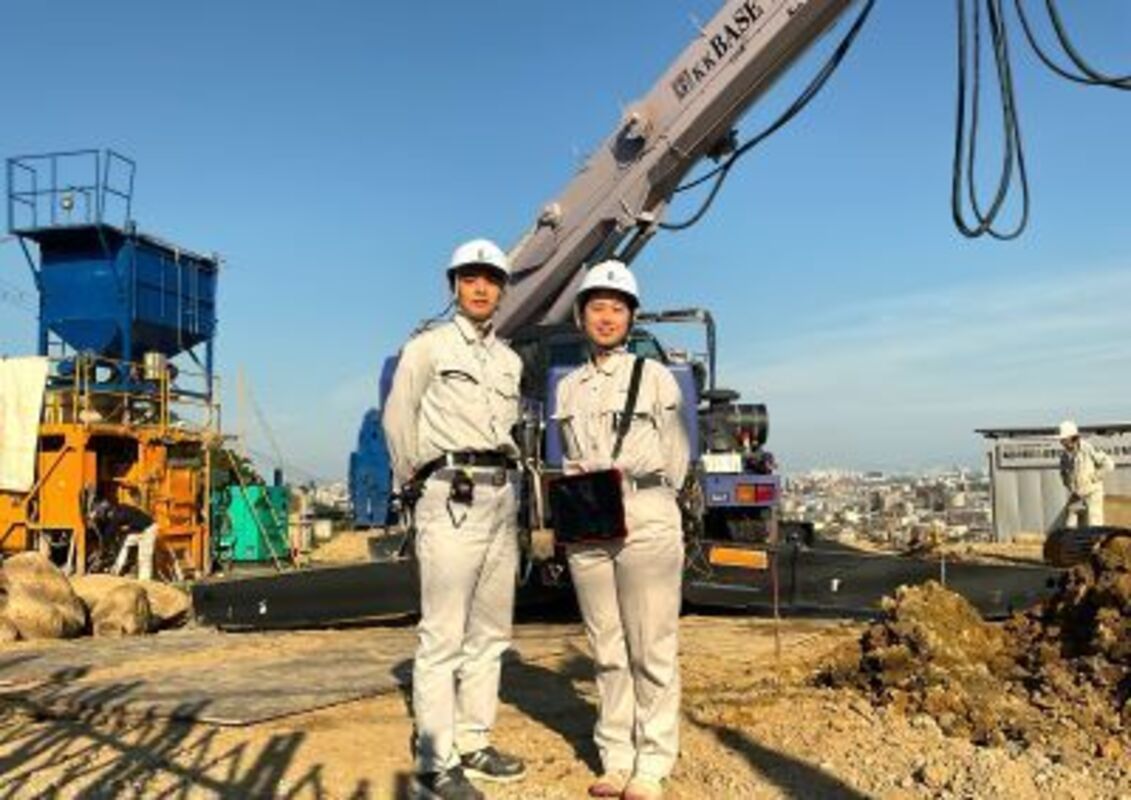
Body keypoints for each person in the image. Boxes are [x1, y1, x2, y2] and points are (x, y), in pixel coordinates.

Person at [383, 238, 526, 800]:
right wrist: (416, 481)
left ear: (503, 289)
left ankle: (473, 741)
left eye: (490, 279)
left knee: (491, 633)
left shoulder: (510, 360)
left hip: (501, 494)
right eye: (470, 278)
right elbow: (398, 418)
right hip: (450, 493)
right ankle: (435, 760)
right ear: (454, 286)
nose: (481, 288)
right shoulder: (428, 348)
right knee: (443, 634)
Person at [553, 260, 689, 800]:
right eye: (597, 307)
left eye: (616, 308)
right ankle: (616, 757)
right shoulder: (569, 388)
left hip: (644, 513)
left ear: (630, 318)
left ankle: (652, 762)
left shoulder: (654, 377)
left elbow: (676, 454)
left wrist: (646, 495)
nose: (606, 317)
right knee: (606, 648)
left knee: (650, 645)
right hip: (589, 518)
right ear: (581, 316)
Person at [1058, 419, 1114, 528]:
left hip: (1093, 494)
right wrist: (1070, 485)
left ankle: (1095, 539)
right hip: (1077, 495)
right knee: (1069, 525)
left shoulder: (1088, 448)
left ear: (1072, 438)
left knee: (1094, 525)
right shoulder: (1065, 456)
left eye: (1064, 440)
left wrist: (1093, 478)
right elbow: (1063, 474)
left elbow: (1109, 464)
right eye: (1061, 440)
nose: (1062, 443)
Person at [90, 497, 158, 581]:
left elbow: (109, 533)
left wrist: (102, 549)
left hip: (148, 529)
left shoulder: (118, 515)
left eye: (99, 513)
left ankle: (145, 580)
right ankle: (115, 571)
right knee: (123, 546)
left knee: (144, 556)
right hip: (136, 530)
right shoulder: (116, 511)